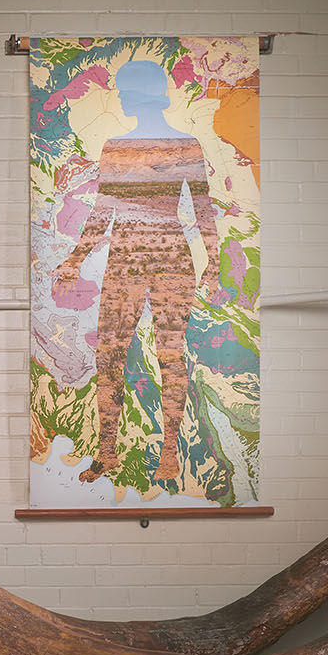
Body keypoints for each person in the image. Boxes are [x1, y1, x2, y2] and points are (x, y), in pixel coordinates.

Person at [53, 60, 221, 485]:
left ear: (140, 94)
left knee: (165, 354)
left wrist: (214, 263)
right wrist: (74, 259)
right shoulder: (121, 146)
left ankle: (167, 455)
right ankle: (108, 452)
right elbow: (105, 210)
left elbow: (200, 206)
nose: (122, 96)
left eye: (126, 90)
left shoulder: (182, 146)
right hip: (140, 258)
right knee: (114, 355)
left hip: (161, 260)